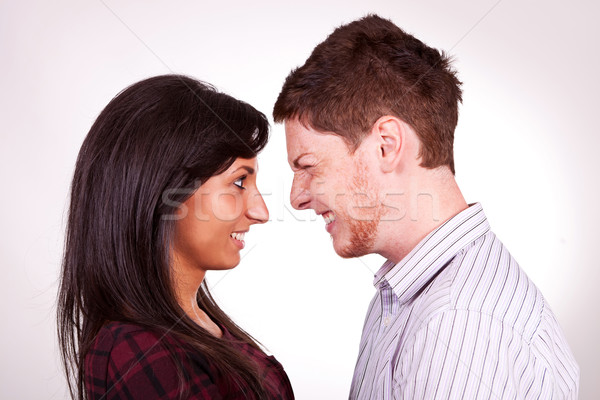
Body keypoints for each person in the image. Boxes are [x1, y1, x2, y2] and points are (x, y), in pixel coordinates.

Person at [273, 15, 579, 399]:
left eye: (307, 166)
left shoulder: (458, 323)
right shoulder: (408, 297)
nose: (296, 197)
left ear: (386, 144)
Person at [57, 74, 294, 400]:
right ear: (166, 190)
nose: (261, 211)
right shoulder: (141, 354)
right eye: (239, 182)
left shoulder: (192, 331)